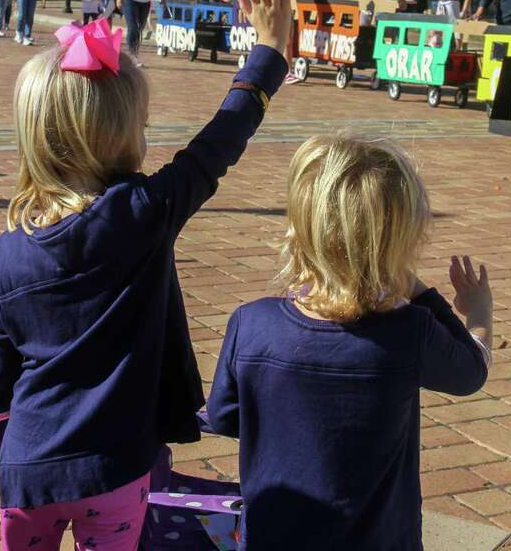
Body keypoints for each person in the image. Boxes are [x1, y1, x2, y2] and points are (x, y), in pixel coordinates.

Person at [0, 0, 292, 551]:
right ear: (126, 135)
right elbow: (218, 143)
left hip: (27, 468)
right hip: (115, 464)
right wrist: (268, 53)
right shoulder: (142, 213)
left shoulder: (4, 254)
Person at [206, 135, 493, 550]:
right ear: (400, 243)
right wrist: (474, 311)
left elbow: (224, 417)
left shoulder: (251, 324)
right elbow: (471, 370)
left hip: (274, 536)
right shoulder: (409, 330)